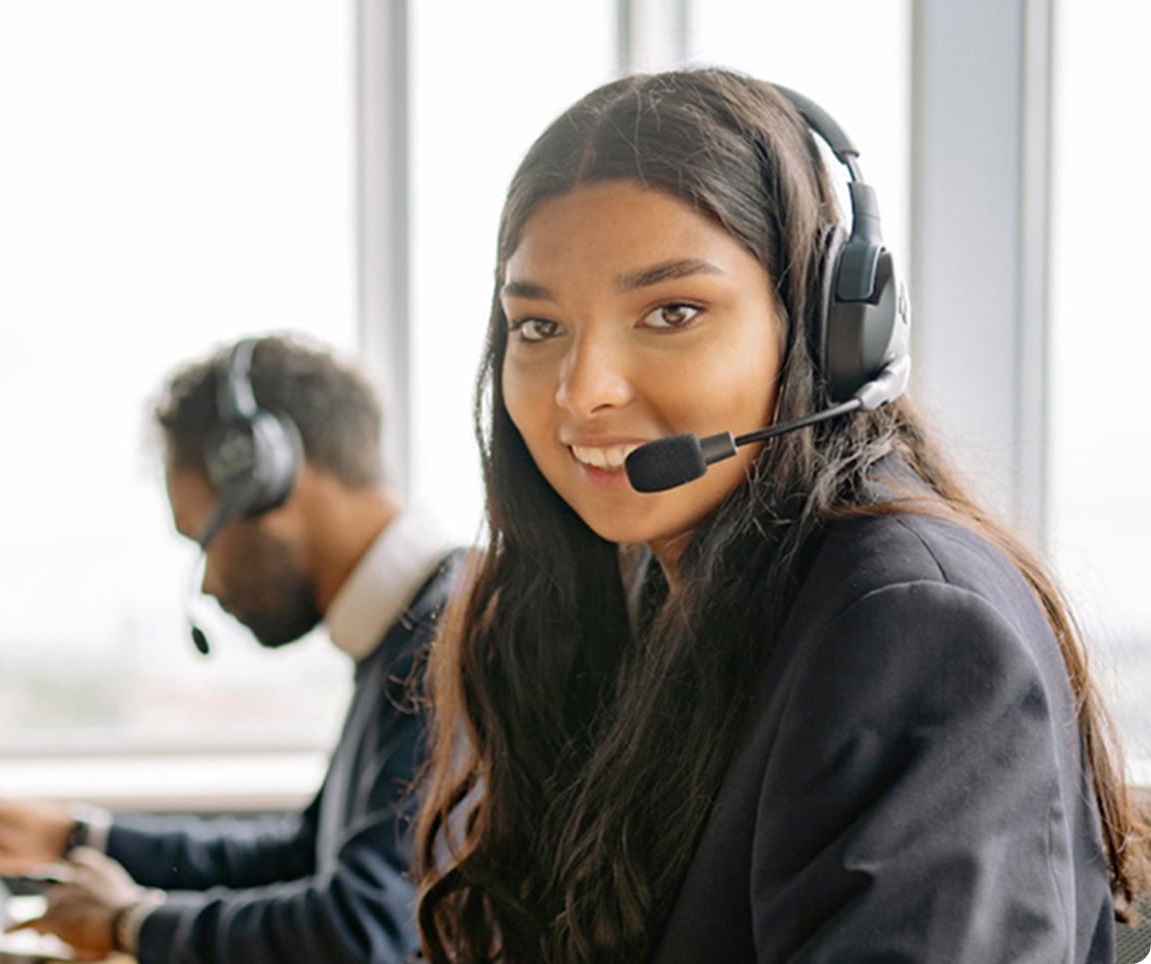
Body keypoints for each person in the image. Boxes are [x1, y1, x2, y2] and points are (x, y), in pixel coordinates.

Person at [411, 69, 1149, 963]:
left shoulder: (912, 624)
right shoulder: (652, 588)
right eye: (538, 327)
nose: (582, 393)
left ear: (828, 330)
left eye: (671, 312)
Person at [0, 334, 461, 964]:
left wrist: (132, 924)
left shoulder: (449, 643)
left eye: (203, 536)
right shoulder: (404, 630)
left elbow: (364, 929)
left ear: (268, 474)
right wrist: (77, 836)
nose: (207, 581)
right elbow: (300, 856)